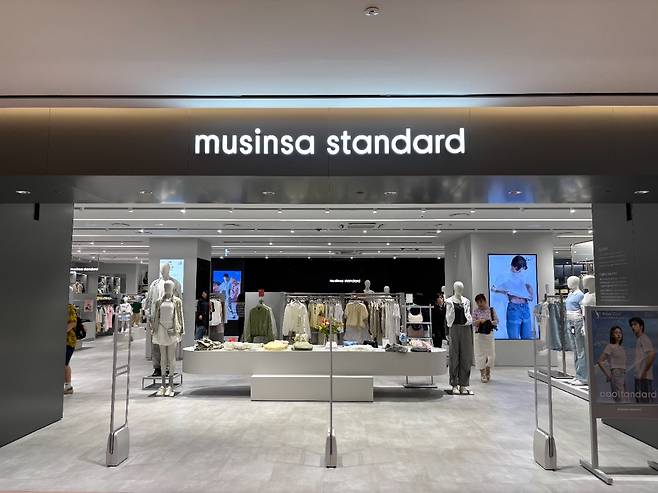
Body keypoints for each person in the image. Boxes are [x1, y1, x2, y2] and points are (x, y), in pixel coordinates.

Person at [491, 255, 534, 339]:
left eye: (521, 269)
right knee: (513, 338)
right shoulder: (504, 275)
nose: (519, 271)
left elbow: (529, 285)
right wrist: (504, 291)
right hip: (514, 308)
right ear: (513, 266)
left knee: (527, 338)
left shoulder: (523, 274)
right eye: (518, 268)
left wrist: (531, 295)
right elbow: (493, 288)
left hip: (525, 307)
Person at [472, 293, 499, 383]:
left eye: (481, 301)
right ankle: (482, 374)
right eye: (478, 302)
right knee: (480, 355)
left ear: (485, 300)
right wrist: (479, 321)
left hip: (489, 334)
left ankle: (488, 370)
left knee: (491, 355)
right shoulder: (475, 311)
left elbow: (497, 321)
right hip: (479, 335)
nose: (480, 304)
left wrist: (489, 322)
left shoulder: (491, 310)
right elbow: (473, 323)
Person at [629, 317, 656, 403]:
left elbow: (651, 354)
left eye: (635, 324)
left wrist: (644, 372)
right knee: (640, 402)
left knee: (645, 403)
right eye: (631, 325)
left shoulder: (643, 338)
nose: (633, 327)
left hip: (644, 378)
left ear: (641, 326)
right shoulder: (639, 339)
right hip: (640, 377)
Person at [597, 326, 626, 402]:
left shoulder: (621, 348)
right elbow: (600, 361)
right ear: (612, 335)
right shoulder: (610, 346)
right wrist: (608, 375)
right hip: (616, 373)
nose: (618, 335)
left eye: (620, 333)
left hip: (623, 374)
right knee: (620, 399)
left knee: (622, 398)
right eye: (616, 333)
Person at [65, 304, 78, 395]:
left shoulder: (69, 307)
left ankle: (68, 386)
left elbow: (73, 323)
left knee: (64, 363)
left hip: (69, 341)